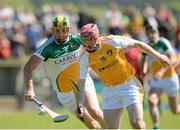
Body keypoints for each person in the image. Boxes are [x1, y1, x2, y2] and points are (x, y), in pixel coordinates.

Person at [77, 23, 171, 129]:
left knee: (137, 123)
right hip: (110, 90)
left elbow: (137, 44)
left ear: (96, 37)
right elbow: (81, 81)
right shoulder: (84, 56)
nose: (87, 44)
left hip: (129, 85)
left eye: (89, 39)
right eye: (84, 40)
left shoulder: (112, 41)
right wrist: (80, 104)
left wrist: (159, 56)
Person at [23, 16, 105, 129]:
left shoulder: (78, 39)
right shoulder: (47, 47)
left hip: (83, 83)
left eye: (64, 30)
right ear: (52, 30)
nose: (61, 33)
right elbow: (28, 67)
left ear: (69, 29)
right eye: (57, 30)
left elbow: (97, 46)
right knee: (93, 125)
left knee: (94, 111)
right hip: (65, 94)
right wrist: (30, 88)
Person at [142, 25, 180, 129]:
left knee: (175, 110)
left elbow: (173, 59)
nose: (151, 35)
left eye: (153, 32)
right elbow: (145, 61)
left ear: (158, 33)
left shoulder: (163, 42)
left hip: (170, 79)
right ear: (146, 35)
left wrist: (162, 72)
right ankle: (156, 127)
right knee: (151, 100)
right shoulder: (147, 46)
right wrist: (144, 72)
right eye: (149, 33)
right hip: (156, 81)